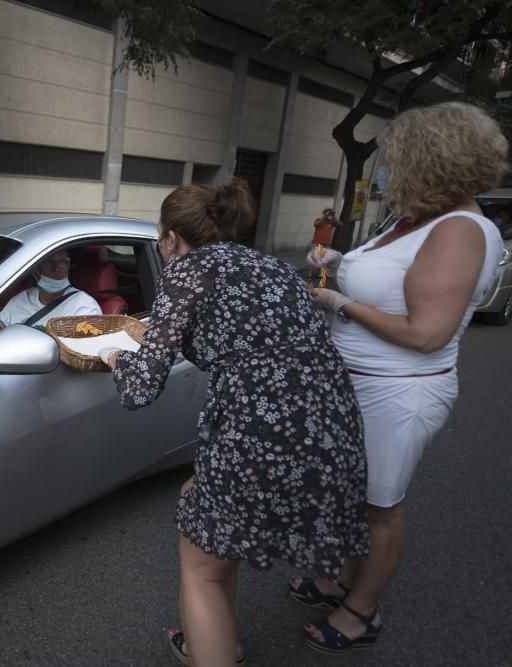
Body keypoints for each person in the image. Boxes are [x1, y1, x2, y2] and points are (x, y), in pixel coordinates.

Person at [100, 180, 369, 666]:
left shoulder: (186, 271)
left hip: (259, 430)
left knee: (201, 563)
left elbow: (141, 387)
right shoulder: (273, 266)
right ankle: (219, 640)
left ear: (170, 239)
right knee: (210, 523)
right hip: (332, 422)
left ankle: (212, 649)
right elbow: (256, 340)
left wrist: (114, 355)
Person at [293, 101, 506, 655]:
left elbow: (425, 333)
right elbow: (391, 281)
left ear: (427, 162)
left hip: (398, 391)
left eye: (392, 159)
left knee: (380, 506)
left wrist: (339, 302)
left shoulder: (461, 229)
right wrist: (341, 262)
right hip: (354, 384)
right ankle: (341, 578)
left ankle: (361, 610)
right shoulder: (412, 220)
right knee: (350, 494)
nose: (384, 168)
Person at [0, 250, 100, 334]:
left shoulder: (84, 306)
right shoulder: (22, 299)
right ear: (34, 270)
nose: (57, 268)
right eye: (49, 262)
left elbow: (87, 350)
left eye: (62, 262)